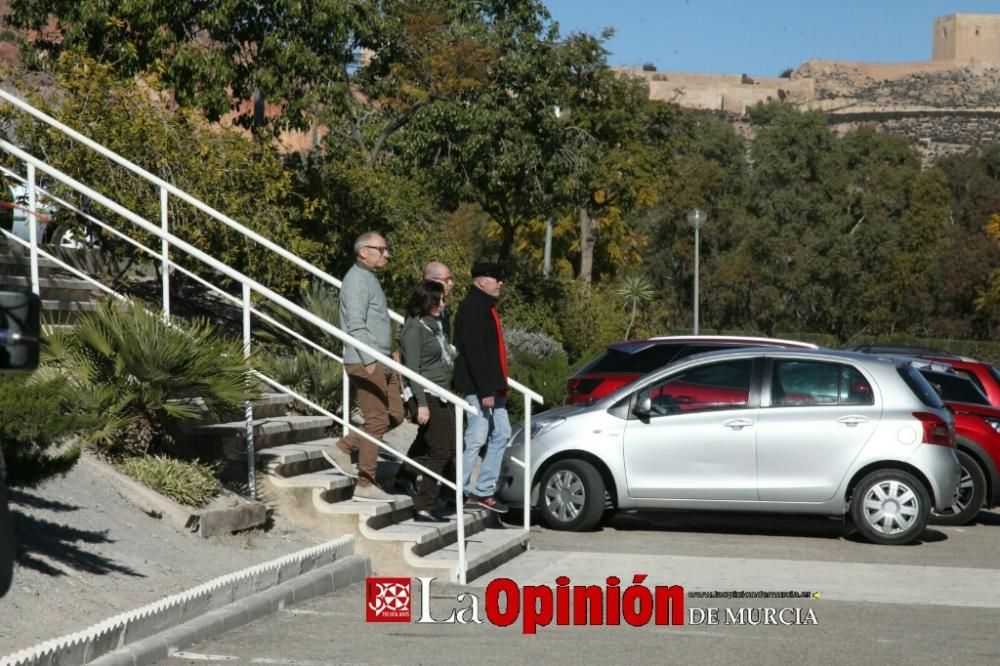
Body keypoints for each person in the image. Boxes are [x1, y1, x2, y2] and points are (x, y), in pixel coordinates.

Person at [322, 231, 402, 501]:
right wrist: (369, 360)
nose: (387, 254)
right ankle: (366, 483)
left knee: (396, 415)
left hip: (382, 359)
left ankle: (343, 448)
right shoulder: (356, 280)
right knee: (377, 419)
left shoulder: (369, 278)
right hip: (365, 360)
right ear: (363, 251)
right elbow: (355, 323)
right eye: (382, 249)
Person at [452, 261, 510, 513]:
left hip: (492, 387)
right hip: (480, 388)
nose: (500, 282)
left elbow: (491, 352)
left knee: (502, 433)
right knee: (476, 438)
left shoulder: (486, 307)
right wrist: (486, 389)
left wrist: (494, 388)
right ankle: (461, 490)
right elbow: (475, 352)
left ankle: (483, 489)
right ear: (481, 280)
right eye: (495, 277)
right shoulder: (473, 307)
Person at [397, 280, 455, 522]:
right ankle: (424, 504)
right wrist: (420, 403)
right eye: (438, 300)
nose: (442, 304)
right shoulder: (414, 328)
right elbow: (413, 371)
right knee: (441, 450)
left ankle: (406, 472)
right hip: (426, 395)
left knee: (445, 446)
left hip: (441, 392)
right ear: (426, 300)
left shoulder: (435, 326)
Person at [423, 261, 454, 335]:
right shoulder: (421, 308)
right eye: (446, 280)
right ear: (432, 281)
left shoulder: (442, 307)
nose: (451, 284)